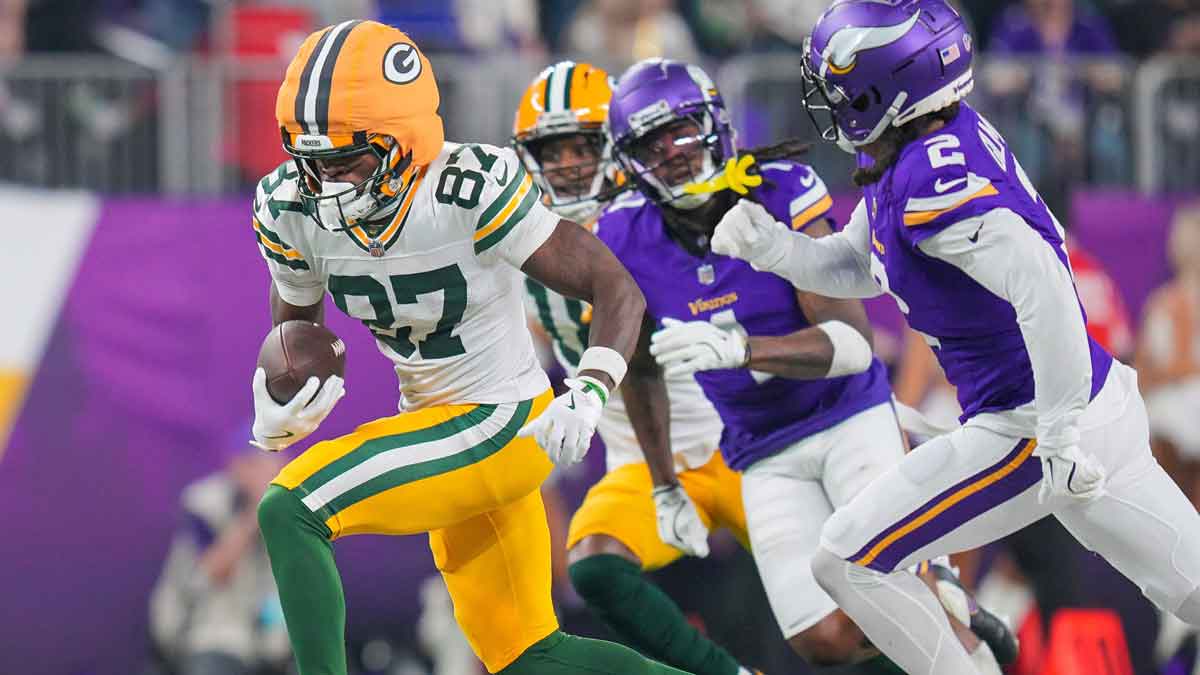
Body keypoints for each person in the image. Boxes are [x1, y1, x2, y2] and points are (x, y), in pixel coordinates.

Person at [708, 2, 1200, 673]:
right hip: (1081, 402)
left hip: (1035, 422)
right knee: (1193, 585)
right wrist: (773, 249)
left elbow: (1045, 284)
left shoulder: (926, 176)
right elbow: (862, 265)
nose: (830, 98)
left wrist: (1058, 430)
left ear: (888, 87)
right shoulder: (914, 152)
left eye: (841, 83)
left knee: (847, 554)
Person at [248, 20, 689, 675]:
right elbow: (296, 334)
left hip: (502, 420)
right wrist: (280, 400)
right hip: (438, 422)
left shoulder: (466, 186)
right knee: (529, 658)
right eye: (313, 161)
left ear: (404, 139)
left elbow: (613, 286)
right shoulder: (290, 205)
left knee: (292, 508)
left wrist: (591, 387)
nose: (327, 182)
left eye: (346, 158)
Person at [600, 56, 1012, 672]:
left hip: (849, 416)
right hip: (761, 448)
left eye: (683, 129)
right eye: (653, 145)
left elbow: (851, 344)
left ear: (715, 123)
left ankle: (963, 639)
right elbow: (641, 371)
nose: (676, 152)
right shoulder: (623, 234)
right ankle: (944, 598)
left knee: (887, 578)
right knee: (821, 639)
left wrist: (742, 351)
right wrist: (664, 487)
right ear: (631, 163)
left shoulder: (780, 191)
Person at [512, 60, 761, 675]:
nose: (569, 164)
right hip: (642, 467)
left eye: (583, 145)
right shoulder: (524, 254)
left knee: (834, 604)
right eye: (553, 149)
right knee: (593, 562)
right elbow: (521, 372)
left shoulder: (668, 217)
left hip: (744, 443)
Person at [147, 434, 290, 675]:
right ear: (239, 466)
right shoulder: (204, 504)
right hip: (207, 633)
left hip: (268, 639)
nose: (273, 473)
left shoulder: (288, 507)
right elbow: (214, 571)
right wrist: (255, 511)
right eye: (263, 464)